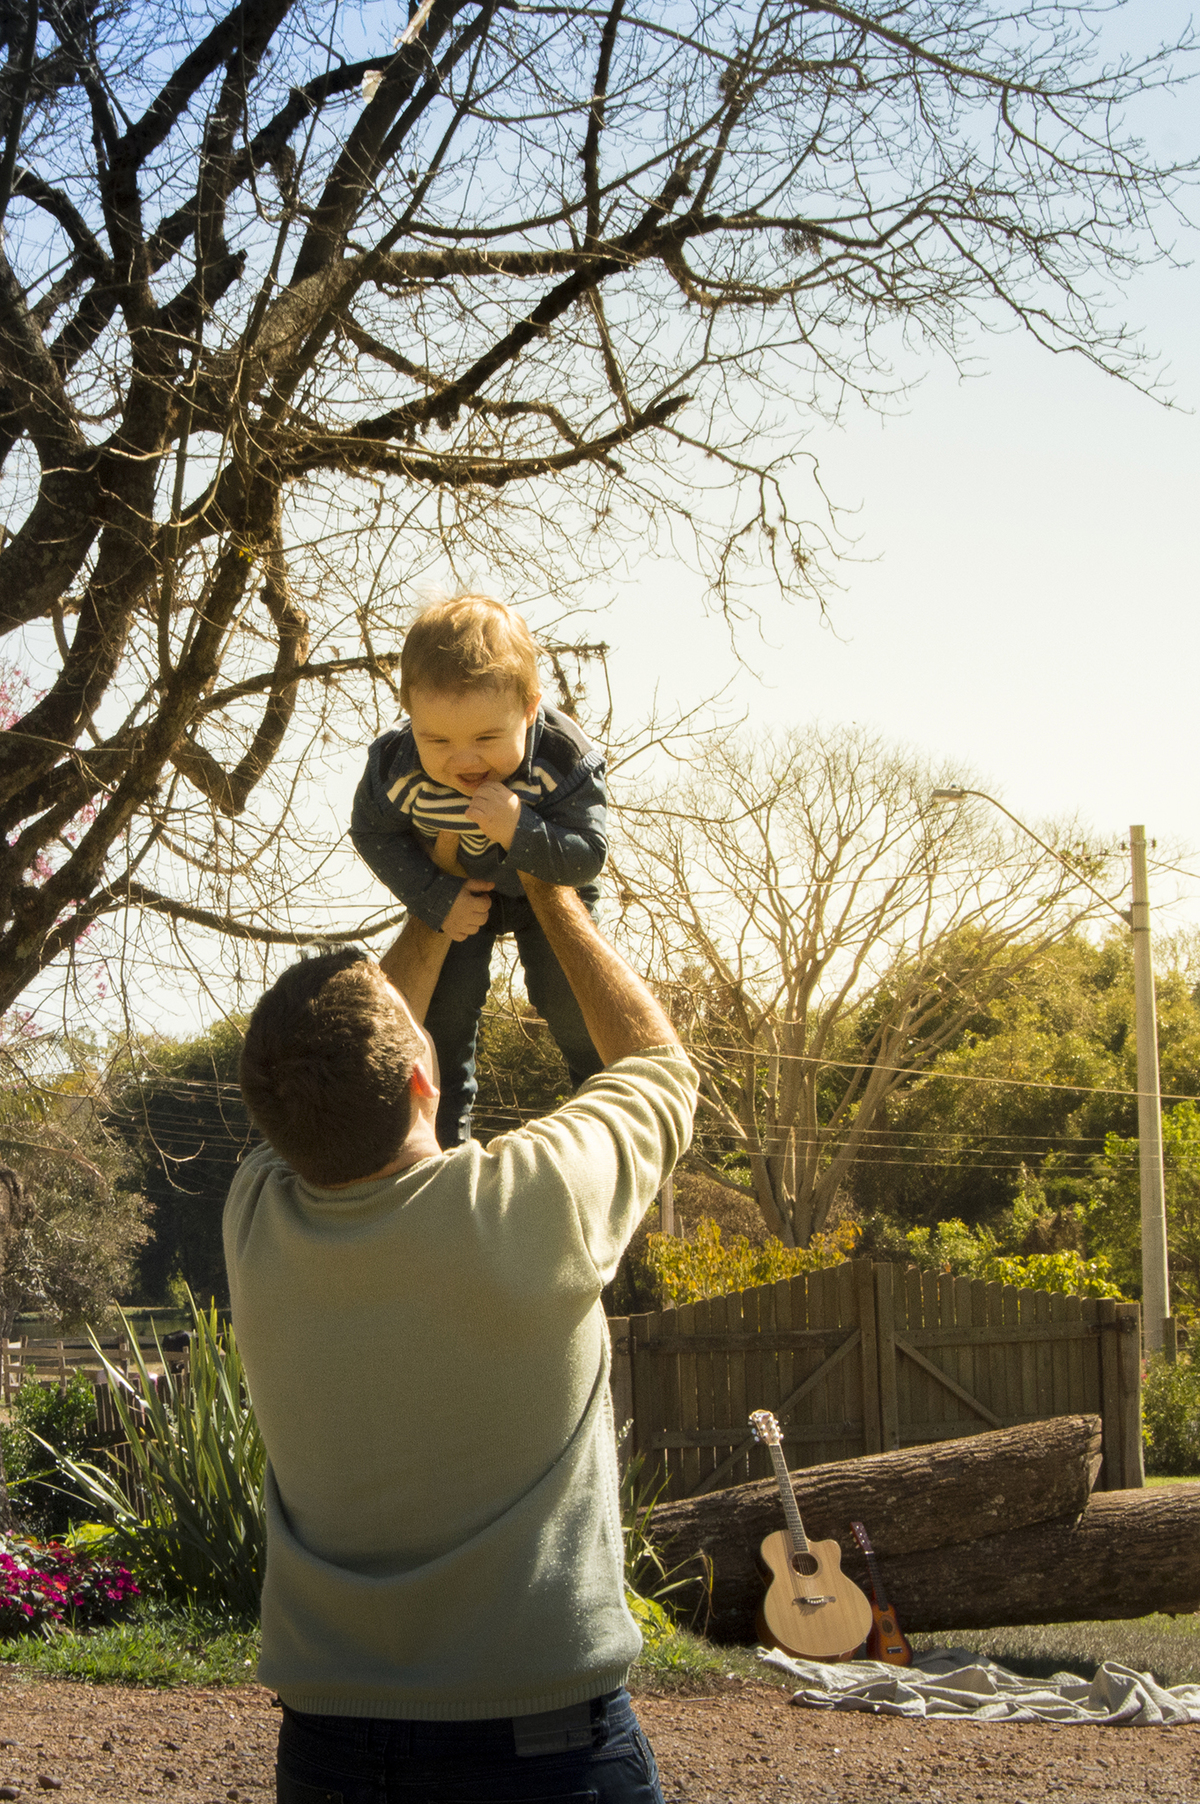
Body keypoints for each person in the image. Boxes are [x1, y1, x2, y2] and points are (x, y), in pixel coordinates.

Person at [226, 872, 697, 1804]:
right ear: (420, 1078)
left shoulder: (254, 1221)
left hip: (329, 1756)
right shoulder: (532, 1202)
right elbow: (661, 1069)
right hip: (544, 1753)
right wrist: (553, 890)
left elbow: (336, 1070)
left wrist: (436, 913)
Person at [349, 591, 608, 1148]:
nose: (463, 761)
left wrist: (522, 829)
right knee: (446, 1013)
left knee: (565, 994)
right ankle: (445, 1146)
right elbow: (372, 833)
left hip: (546, 886)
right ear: (410, 715)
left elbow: (589, 852)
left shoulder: (562, 759)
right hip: (456, 890)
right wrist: (434, 895)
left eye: (487, 738)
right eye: (436, 739)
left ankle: (602, 1097)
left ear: (530, 707)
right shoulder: (395, 765)